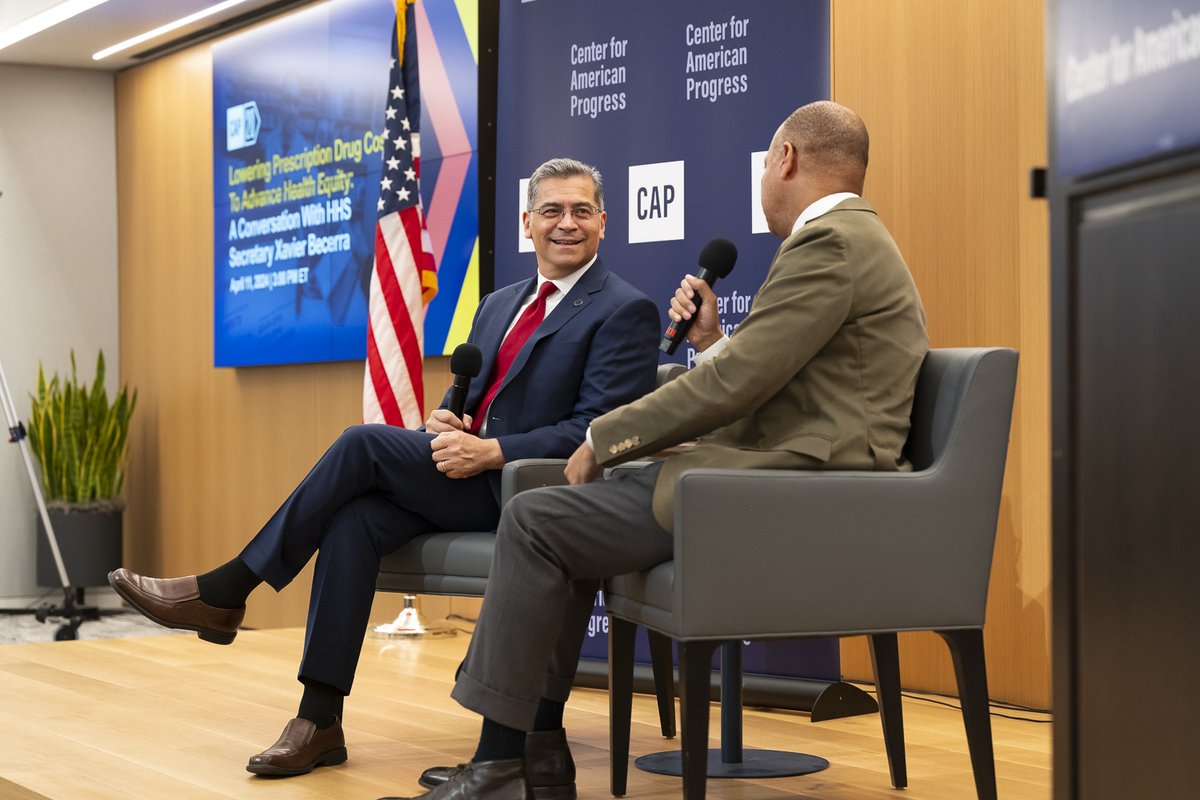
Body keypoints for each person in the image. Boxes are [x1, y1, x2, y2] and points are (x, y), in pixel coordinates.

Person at [390, 100, 930, 800]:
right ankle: (536, 756)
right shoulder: (848, 240)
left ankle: (503, 761)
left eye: (767, 162)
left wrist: (604, 435)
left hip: (800, 488)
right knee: (562, 515)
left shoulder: (829, 244)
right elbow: (778, 379)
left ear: (787, 160)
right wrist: (709, 342)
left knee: (537, 518)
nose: (765, 177)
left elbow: (739, 388)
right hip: (784, 473)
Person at [108, 157, 661, 778]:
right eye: (553, 211)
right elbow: (472, 399)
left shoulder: (623, 309)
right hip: (468, 471)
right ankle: (319, 719)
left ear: (605, 222)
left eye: (582, 210)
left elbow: (598, 430)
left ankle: (227, 589)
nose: (568, 223)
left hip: (533, 492)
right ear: (527, 222)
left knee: (361, 444)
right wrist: (448, 422)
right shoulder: (500, 303)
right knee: (355, 520)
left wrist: (493, 451)